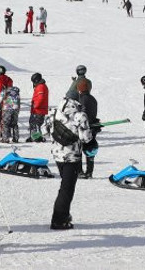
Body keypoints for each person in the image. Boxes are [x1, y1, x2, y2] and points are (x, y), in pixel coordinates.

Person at [45, 89, 94, 229]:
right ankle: (59, 220)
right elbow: (86, 138)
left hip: (57, 154)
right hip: (72, 156)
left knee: (65, 186)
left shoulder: (54, 112)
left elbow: (44, 131)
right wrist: (91, 130)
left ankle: (63, 215)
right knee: (67, 189)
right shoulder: (80, 115)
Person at [28, 73, 49, 142]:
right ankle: (35, 137)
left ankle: (36, 138)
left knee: (35, 123)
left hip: (38, 110)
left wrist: (35, 106)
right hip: (39, 109)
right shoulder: (41, 86)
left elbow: (40, 98)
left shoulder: (40, 87)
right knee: (35, 123)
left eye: (33, 81)